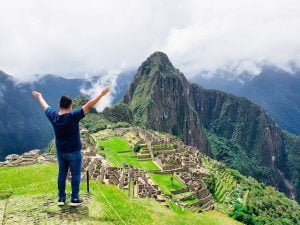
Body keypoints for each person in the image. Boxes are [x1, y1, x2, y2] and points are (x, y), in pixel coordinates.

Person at [32, 87, 110, 206]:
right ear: (71, 106)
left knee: (62, 173)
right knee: (76, 174)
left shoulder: (54, 116)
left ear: (59, 105)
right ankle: (74, 199)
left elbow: (45, 106)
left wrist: (39, 96)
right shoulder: (73, 116)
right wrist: (101, 95)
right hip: (74, 151)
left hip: (61, 151)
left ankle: (61, 199)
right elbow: (88, 105)